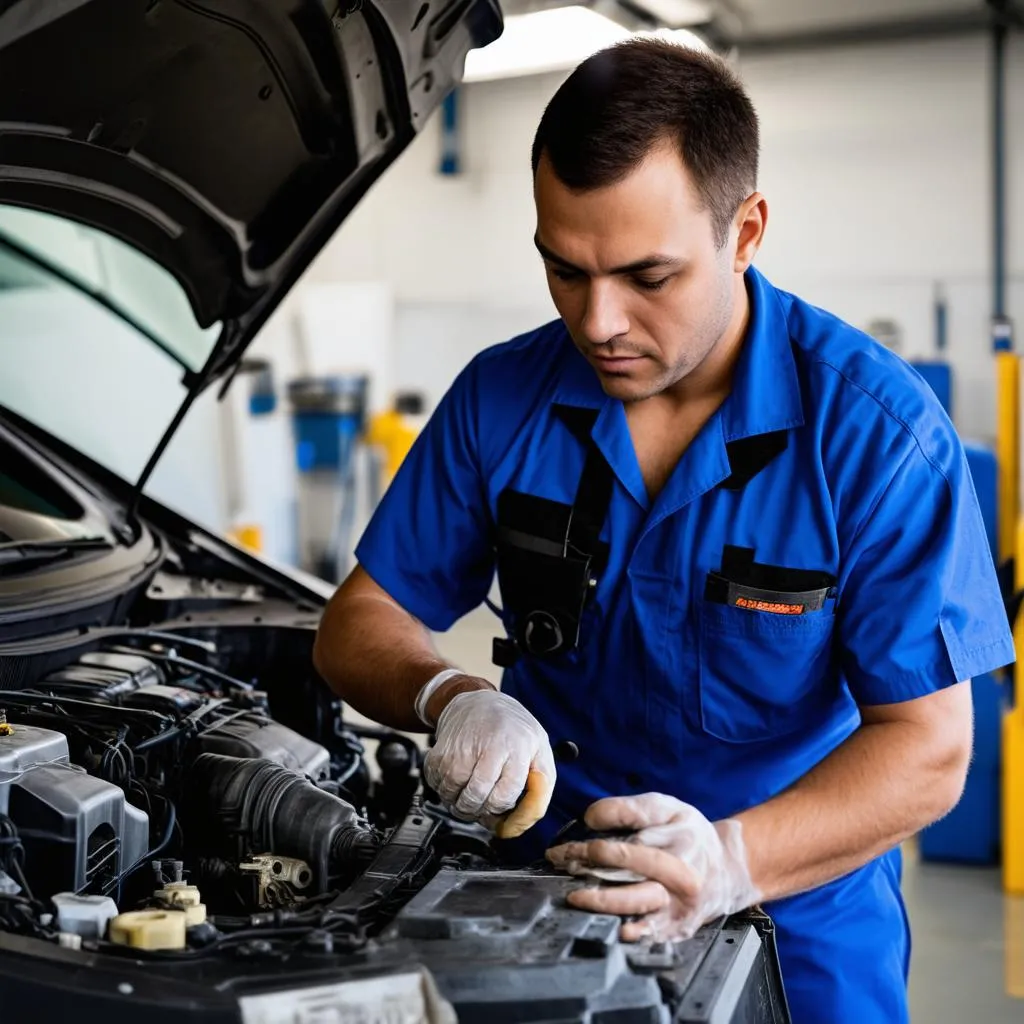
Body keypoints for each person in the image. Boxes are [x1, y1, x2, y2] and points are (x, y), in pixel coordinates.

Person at [312, 38, 1014, 1023]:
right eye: (564, 271)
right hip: (539, 902)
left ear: (746, 230)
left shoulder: (874, 434)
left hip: (793, 924)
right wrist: (451, 694)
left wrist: (730, 860)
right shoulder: (500, 400)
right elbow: (360, 617)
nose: (598, 321)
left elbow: (930, 746)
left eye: (648, 276)